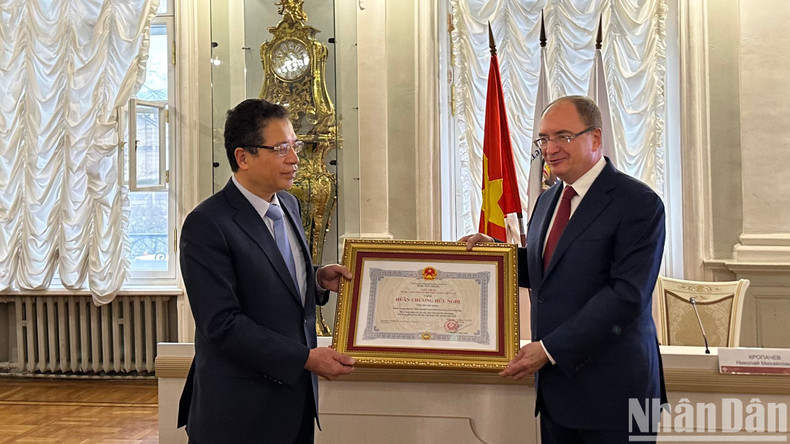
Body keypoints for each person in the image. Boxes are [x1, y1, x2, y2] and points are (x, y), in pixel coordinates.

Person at [462, 95, 666, 442]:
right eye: (543, 139)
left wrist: (549, 349)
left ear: (596, 138)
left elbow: (627, 296)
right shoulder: (548, 199)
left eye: (562, 137)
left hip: (617, 392)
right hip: (558, 392)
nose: (550, 148)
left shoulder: (639, 203)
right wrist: (495, 256)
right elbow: (547, 269)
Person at [177, 98, 355, 443]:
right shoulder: (207, 224)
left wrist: (316, 279)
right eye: (281, 149)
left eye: (295, 145)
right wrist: (305, 358)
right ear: (243, 157)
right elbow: (222, 325)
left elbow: (271, 274)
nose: (294, 159)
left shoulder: (288, 203)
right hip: (238, 414)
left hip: (296, 405)